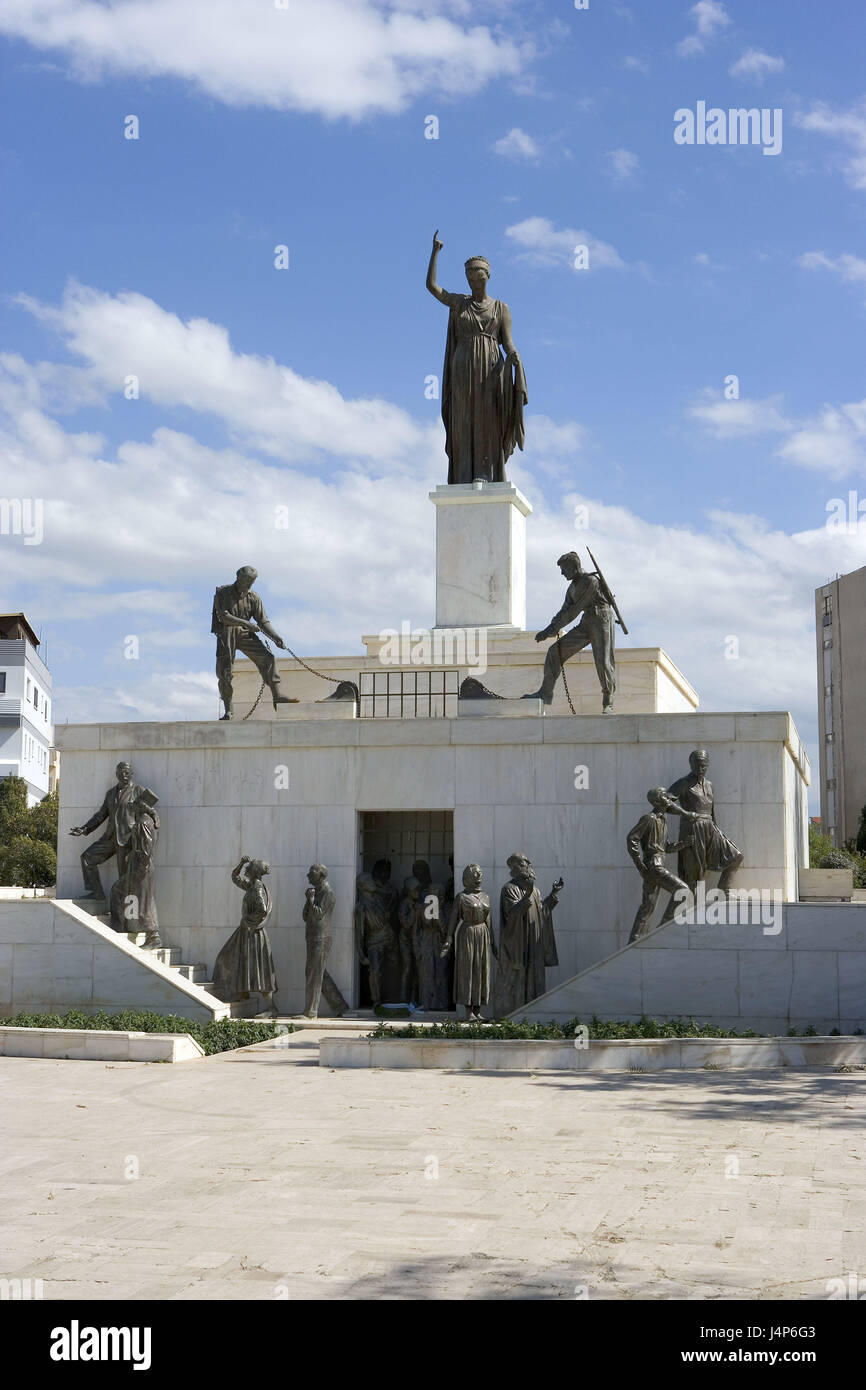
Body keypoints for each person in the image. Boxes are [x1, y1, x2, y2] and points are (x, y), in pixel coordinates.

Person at [426, 231, 527, 484]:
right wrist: (435, 252)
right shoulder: (459, 303)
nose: (473, 281)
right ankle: (463, 474)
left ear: (487, 276)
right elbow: (433, 287)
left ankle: (485, 472)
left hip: (490, 368)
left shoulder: (501, 308)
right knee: (463, 418)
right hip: (462, 368)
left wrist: (514, 355)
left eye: (478, 276)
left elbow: (508, 342)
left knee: (486, 419)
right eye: (469, 277)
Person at [523, 552, 616, 713]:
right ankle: (545, 694)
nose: (562, 573)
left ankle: (608, 701)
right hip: (587, 622)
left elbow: (573, 611)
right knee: (554, 652)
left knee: (602, 661)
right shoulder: (572, 588)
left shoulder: (591, 581)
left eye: (564, 569)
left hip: (602, 620)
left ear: (574, 567)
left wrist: (552, 630)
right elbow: (563, 611)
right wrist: (548, 629)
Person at [661, 749, 744, 921]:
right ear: (691, 764)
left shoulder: (710, 785)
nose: (701, 768)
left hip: (710, 829)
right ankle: (685, 918)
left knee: (736, 856)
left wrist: (716, 831)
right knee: (694, 878)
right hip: (692, 829)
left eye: (704, 765)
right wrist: (684, 813)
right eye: (697, 764)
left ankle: (723, 892)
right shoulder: (683, 783)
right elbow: (664, 803)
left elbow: (712, 811)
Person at [212, 565, 297, 719]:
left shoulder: (254, 597)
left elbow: (262, 621)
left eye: (252, 581)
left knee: (268, 658)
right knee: (225, 674)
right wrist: (247, 624)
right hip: (227, 633)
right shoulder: (223, 592)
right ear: (238, 577)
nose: (249, 584)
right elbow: (224, 617)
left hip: (245, 633)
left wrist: (276, 637)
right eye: (246, 580)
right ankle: (229, 710)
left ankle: (277, 696)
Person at [70, 761, 155, 901]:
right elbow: (101, 814)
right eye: (121, 772)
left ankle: (125, 907)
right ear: (116, 774)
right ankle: (97, 893)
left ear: (132, 774)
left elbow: (149, 813)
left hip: (128, 839)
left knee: (124, 875)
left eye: (127, 773)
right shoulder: (110, 793)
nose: (124, 775)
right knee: (87, 858)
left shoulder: (138, 791)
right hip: (110, 837)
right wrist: (85, 828)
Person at [494, 854, 562, 1016]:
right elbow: (512, 915)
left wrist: (553, 895)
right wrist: (527, 893)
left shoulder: (536, 891)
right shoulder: (509, 889)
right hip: (518, 946)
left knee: (534, 979)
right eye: (525, 863)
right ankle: (513, 1015)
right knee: (517, 980)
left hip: (534, 944)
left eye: (529, 863)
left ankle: (534, 1014)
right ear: (515, 868)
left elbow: (541, 913)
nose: (529, 866)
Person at [626, 789, 694, 943]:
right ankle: (662, 929)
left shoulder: (662, 821)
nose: (669, 799)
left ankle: (635, 940)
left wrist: (684, 844)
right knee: (683, 891)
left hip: (656, 865)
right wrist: (638, 863)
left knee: (647, 906)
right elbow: (631, 838)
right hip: (653, 865)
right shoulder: (649, 819)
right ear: (656, 801)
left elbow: (667, 847)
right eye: (664, 796)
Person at [212, 857, 278, 1015]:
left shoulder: (256, 887)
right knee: (239, 961)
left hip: (253, 933)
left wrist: (248, 921)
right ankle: (243, 991)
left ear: (254, 871)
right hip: (247, 933)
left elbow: (262, 910)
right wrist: (240, 863)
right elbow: (235, 878)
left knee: (258, 969)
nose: (246, 869)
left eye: (249, 866)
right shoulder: (251, 885)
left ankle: (271, 1008)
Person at [440, 864, 497, 1021]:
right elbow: (453, 919)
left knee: (481, 970)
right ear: (467, 879)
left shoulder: (486, 897)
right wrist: (448, 939)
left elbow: (489, 921)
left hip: (483, 934)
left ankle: (478, 1010)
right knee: (468, 970)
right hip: (467, 934)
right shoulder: (461, 897)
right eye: (475, 875)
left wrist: (493, 943)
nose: (479, 877)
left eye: (480, 874)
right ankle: (469, 1011)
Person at [108, 790, 161, 948]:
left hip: (141, 868)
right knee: (141, 900)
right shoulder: (146, 821)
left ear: (141, 807)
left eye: (135, 806)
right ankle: (126, 927)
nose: (133, 809)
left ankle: (152, 936)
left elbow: (145, 851)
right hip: (141, 866)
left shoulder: (143, 823)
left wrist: (138, 872)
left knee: (136, 899)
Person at [302, 864, 348, 1018]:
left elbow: (318, 915)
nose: (308, 875)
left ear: (320, 875)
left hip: (321, 937)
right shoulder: (316, 892)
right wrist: (309, 901)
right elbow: (305, 916)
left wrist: (311, 899)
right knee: (316, 972)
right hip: (313, 936)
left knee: (314, 973)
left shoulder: (327, 892)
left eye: (311, 873)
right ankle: (340, 1005)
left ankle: (311, 1012)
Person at [354, 872, 395, 1008]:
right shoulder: (361, 906)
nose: (373, 883)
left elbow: (392, 894)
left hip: (389, 937)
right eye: (369, 881)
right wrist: (361, 954)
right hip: (374, 941)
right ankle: (376, 1001)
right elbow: (359, 932)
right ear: (361, 886)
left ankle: (392, 997)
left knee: (393, 967)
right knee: (375, 971)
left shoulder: (378, 898)